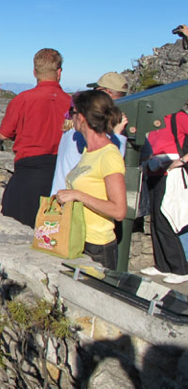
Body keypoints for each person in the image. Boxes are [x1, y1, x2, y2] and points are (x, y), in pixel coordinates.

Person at [0, 48, 72, 226]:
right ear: (59, 72)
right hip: (61, 176)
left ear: (34, 72)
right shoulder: (72, 103)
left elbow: (4, 133)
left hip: (27, 175)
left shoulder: (22, 100)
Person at [56, 90, 127, 270]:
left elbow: (119, 210)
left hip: (98, 247)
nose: (71, 117)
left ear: (82, 117)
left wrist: (78, 195)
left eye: (73, 112)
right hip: (79, 239)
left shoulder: (109, 155)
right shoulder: (89, 151)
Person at [50, 73, 128, 196]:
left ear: (106, 93)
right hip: (72, 201)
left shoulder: (78, 130)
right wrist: (118, 136)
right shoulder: (83, 132)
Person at [139, 102, 188, 283]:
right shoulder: (154, 121)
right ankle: (163, 265)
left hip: (171, 173)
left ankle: (180, 269)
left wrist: (182, 160)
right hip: (154, 172)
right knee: (156, 218)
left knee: (166, 217)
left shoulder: (178, 118)